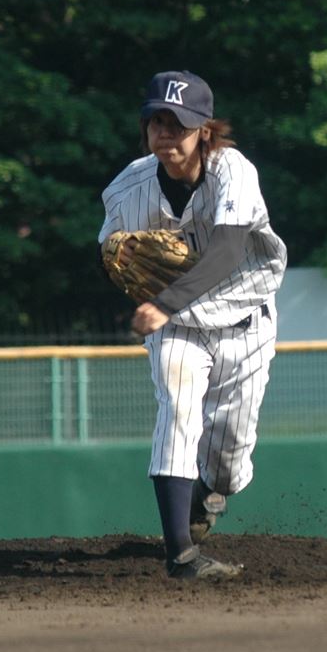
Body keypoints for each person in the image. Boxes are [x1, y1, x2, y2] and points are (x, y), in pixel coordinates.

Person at [99, 71, 287, 580]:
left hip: (244, 319)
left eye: (177, 124)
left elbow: (226, 250)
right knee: (177, 414)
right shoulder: (127, 188)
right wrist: (122, 269)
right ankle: (181, 556)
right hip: (178, 324)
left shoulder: (233, 171)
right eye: (156, 122)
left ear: (204, 130)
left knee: (229, 463)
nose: (165, 134)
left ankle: (208, 494)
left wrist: (165, 300)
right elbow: (109, 253)